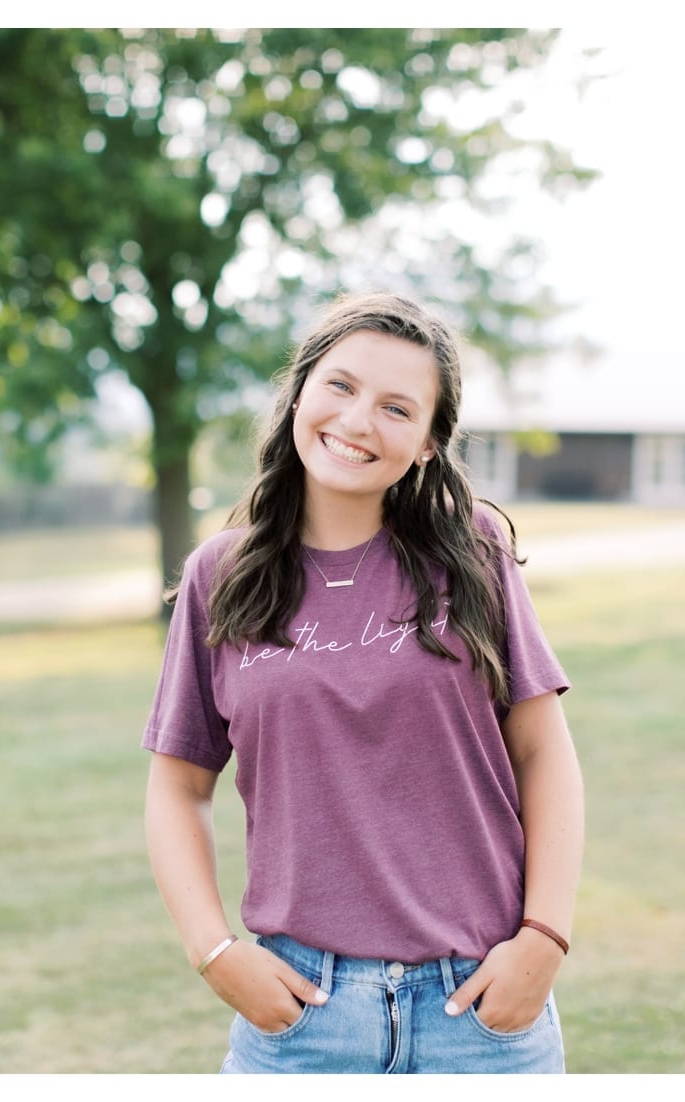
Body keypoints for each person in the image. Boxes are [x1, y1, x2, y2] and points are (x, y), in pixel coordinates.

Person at [141, 291, 584, 1074]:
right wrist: (215, 953)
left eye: (395, 407)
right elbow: (178, 788)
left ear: (424, 444)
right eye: (340, 387)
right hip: (302, 1018)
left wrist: (544, 938)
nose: (356, 422)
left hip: (478, 1012)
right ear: (300, 394)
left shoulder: (471, 556)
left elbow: (544, 753)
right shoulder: (224, 577)